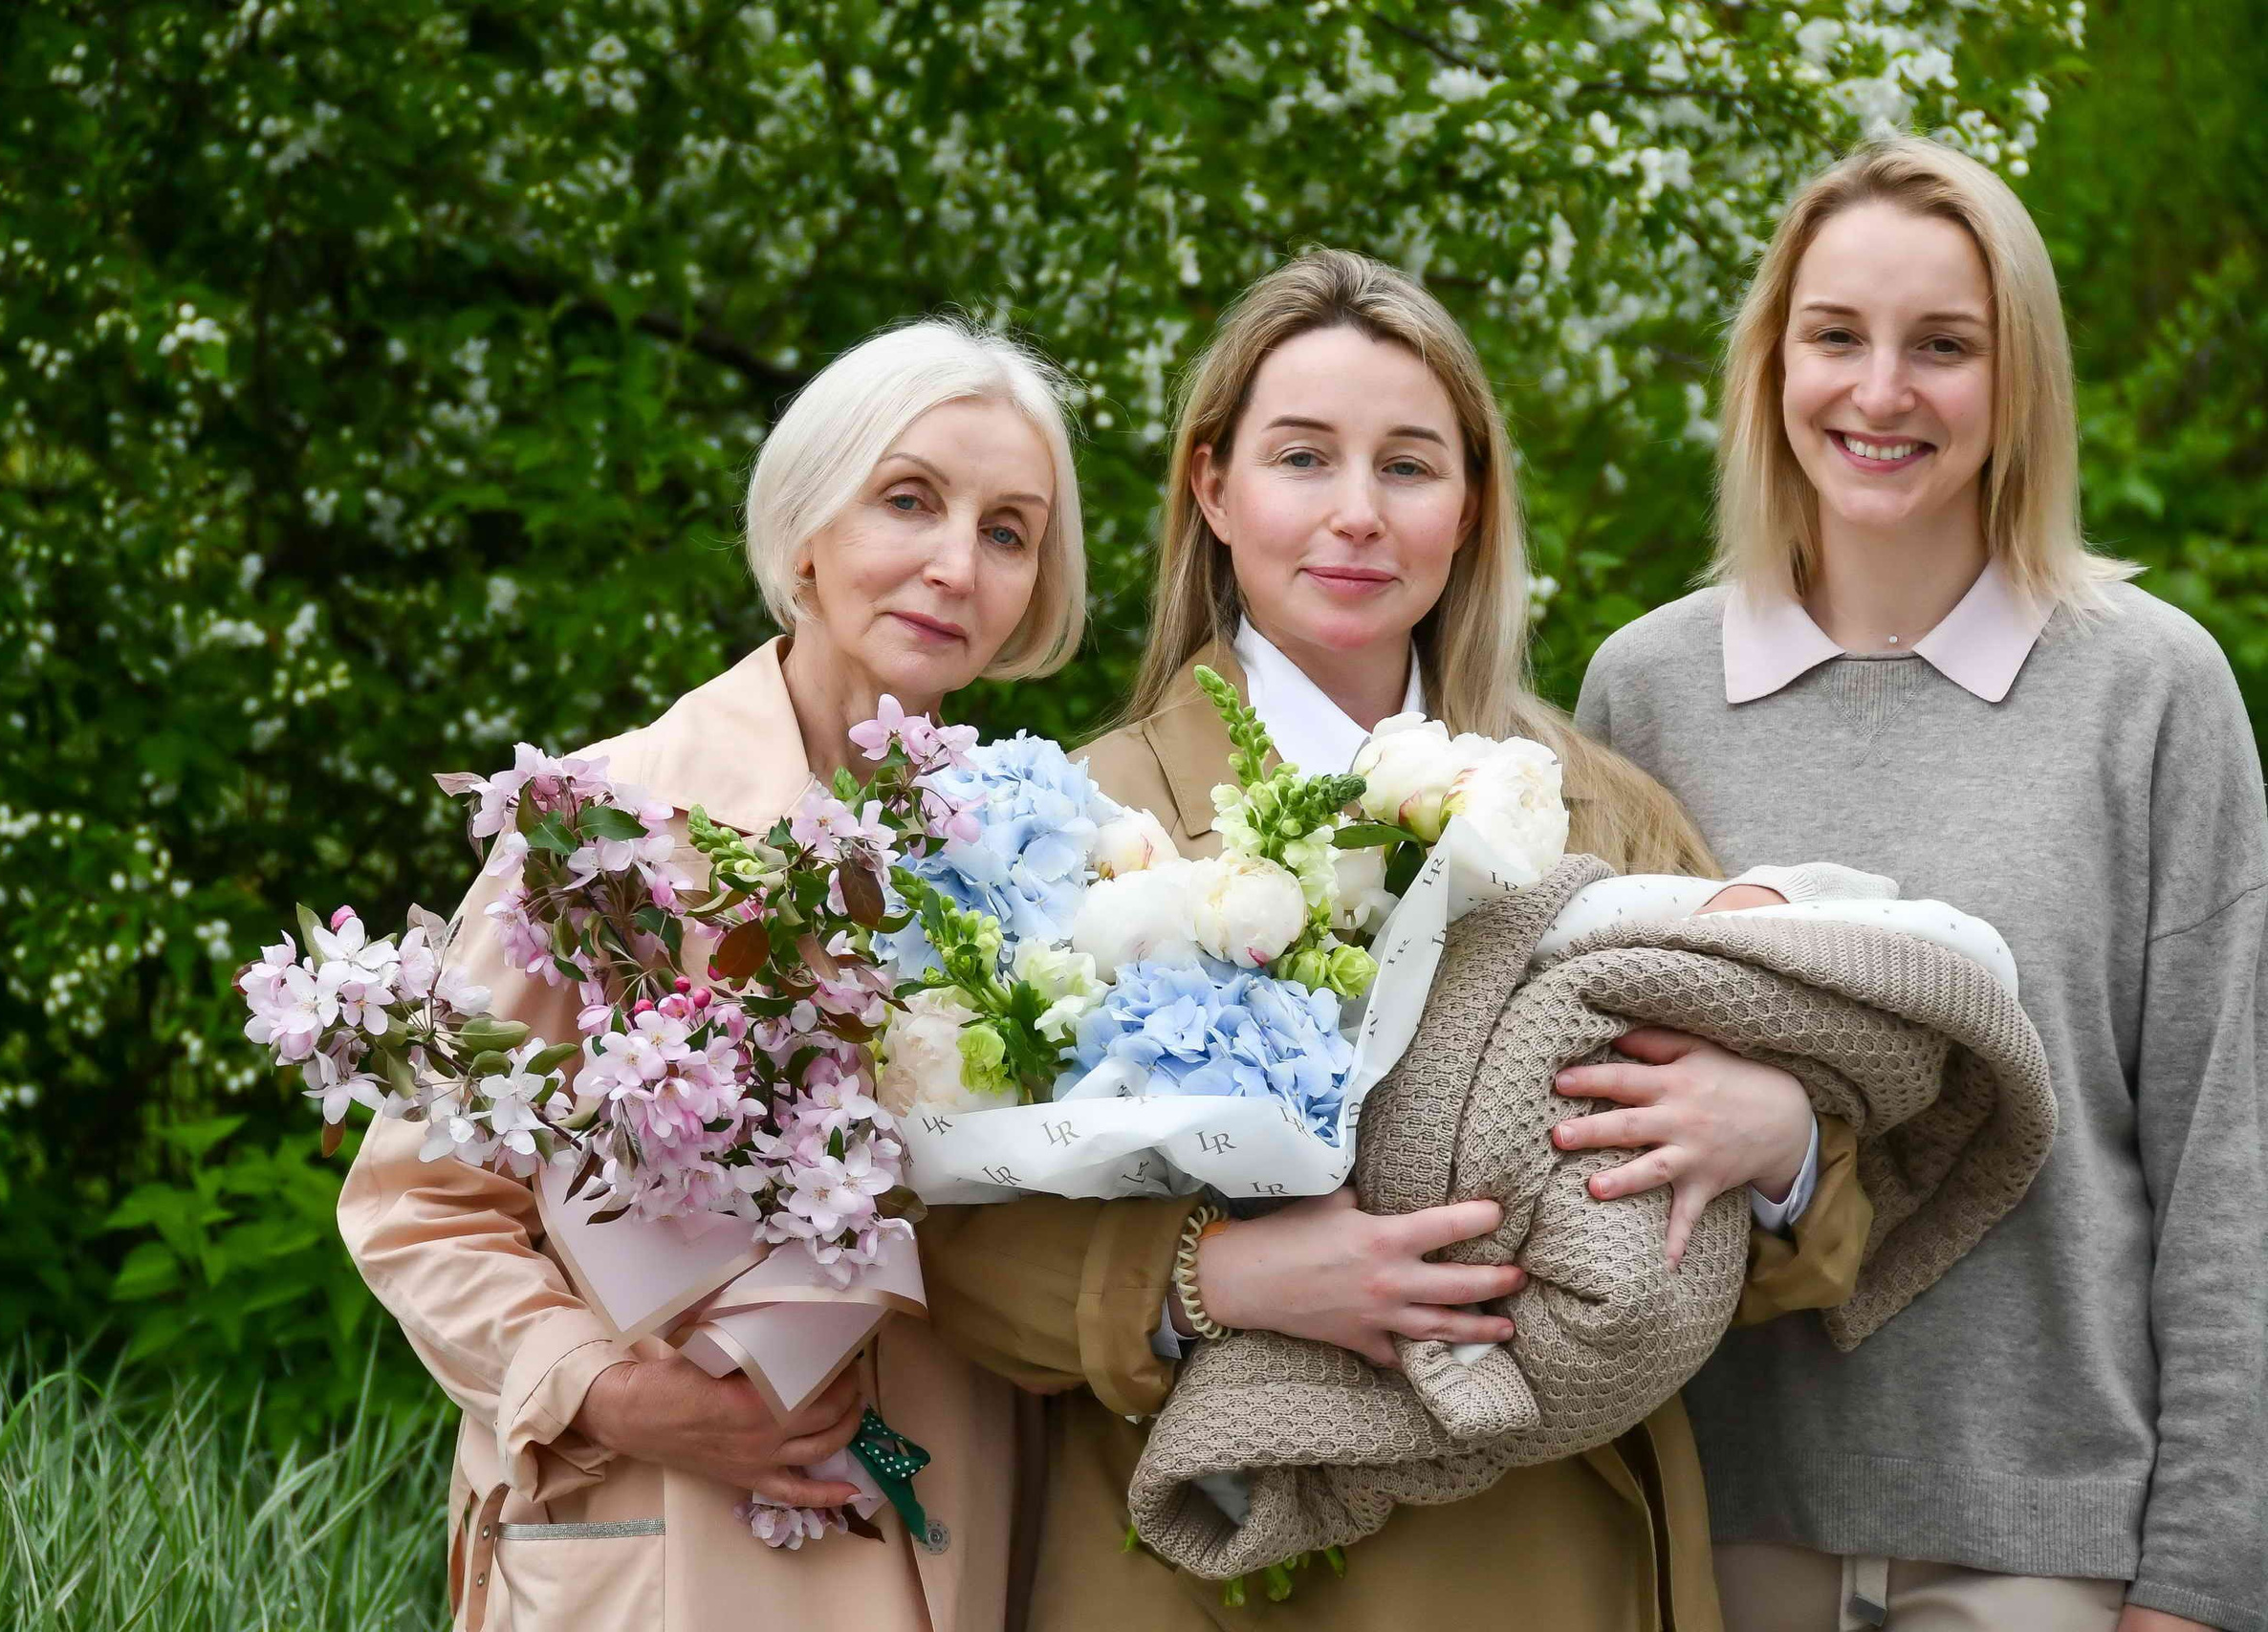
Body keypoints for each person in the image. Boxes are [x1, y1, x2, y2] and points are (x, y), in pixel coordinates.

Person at [919, 248, 1874, 1631]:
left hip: (1551, 1555)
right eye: (1304, 459)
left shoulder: (1597, 808)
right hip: (1209, 1572)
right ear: (1213, 487)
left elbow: (1815, 1235)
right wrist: (1206, 1276)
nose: (1357, 515)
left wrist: (1772, 1142)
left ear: (1471, 505)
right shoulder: (1065, 821)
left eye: (1411, 467)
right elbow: (937, 1251)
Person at [1579, 136, 2266, 1632]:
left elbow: (2230, 1166)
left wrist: (2201, 1585)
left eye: (1943, 347)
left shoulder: (2153, 693)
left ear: (2016, 381)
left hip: (2048, 1546)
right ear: (1772, 366)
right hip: (1710, 1529)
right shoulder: (1645, 691)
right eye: (1836, 337)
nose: (1880, 393)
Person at [338, 316, 1091, 1632]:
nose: (956, 564)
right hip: (665, 1539)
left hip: (958, 1531)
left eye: (1009, 530)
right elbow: (421, 1204)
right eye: (908, 500)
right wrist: (614, 1393)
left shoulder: (1044, 866)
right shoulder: (606, 825)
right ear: (805, 530)